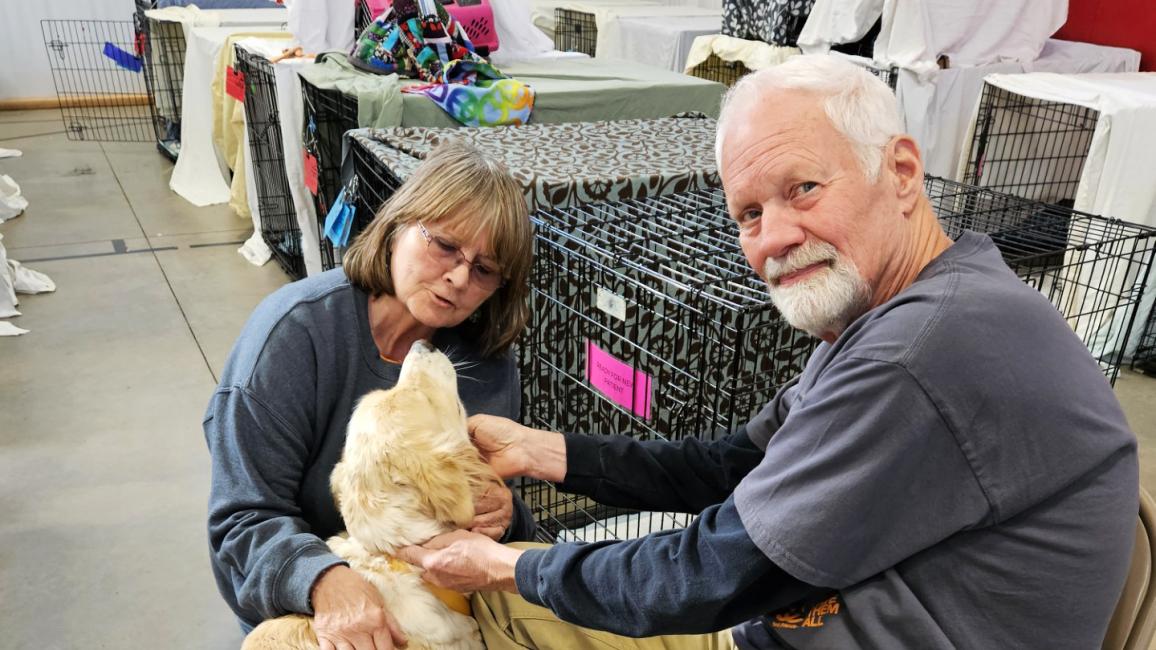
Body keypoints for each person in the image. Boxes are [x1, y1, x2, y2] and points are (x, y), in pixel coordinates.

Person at [398, 55, 1140, 649]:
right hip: (794, 609)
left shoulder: (918, 352)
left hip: (772, 618)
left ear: (903, 173)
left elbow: (715, 574)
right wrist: (545, 451)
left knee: (484, 619)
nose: (774, 236)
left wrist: (508, 568)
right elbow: (732, 465)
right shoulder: (896, 314)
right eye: (749, 213)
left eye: (804, 188)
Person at [203, 140, 537, 648]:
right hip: (317, 608)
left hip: (440, 601)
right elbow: (242, 519)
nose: (459, 276)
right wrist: (322, 579)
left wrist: (507, 516)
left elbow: (493, 512)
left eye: (485, 269)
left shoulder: (485, 364)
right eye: (445, 245)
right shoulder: (292, 338)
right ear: (400, 222)